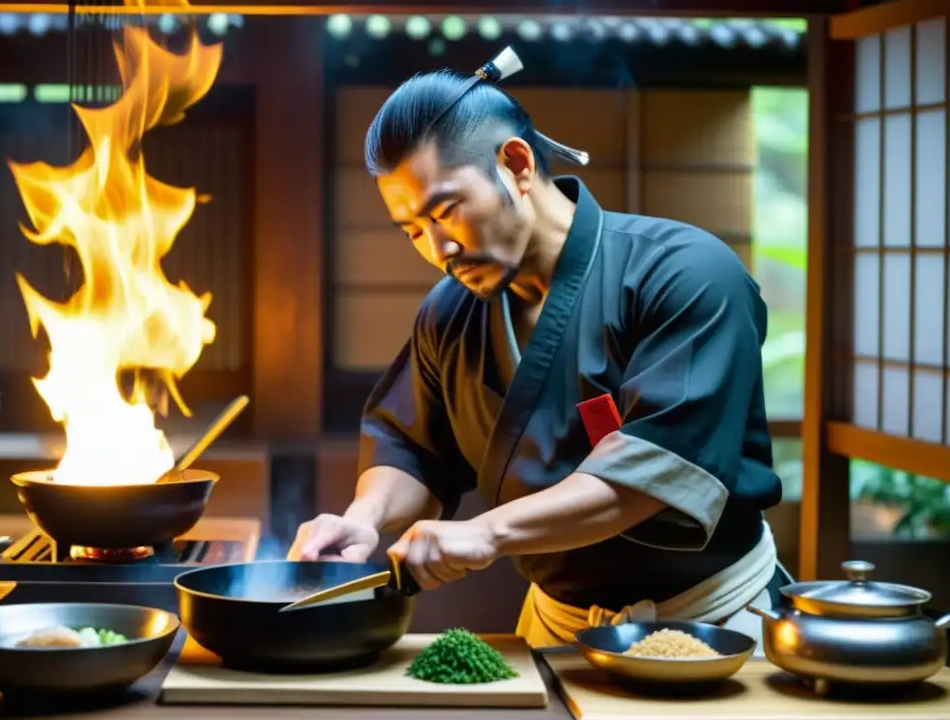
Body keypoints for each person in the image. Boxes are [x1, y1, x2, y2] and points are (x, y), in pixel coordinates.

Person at [288, 47, 789, 651]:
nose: (436, 249)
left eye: (446, 211)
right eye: (413, 229)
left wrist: (487, 533)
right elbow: (413, 449)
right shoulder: (448, 313)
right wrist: (362, 518)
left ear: (517, 165)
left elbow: (652, 475)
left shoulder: (686, 273)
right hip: (556, 627)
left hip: (711, 620)